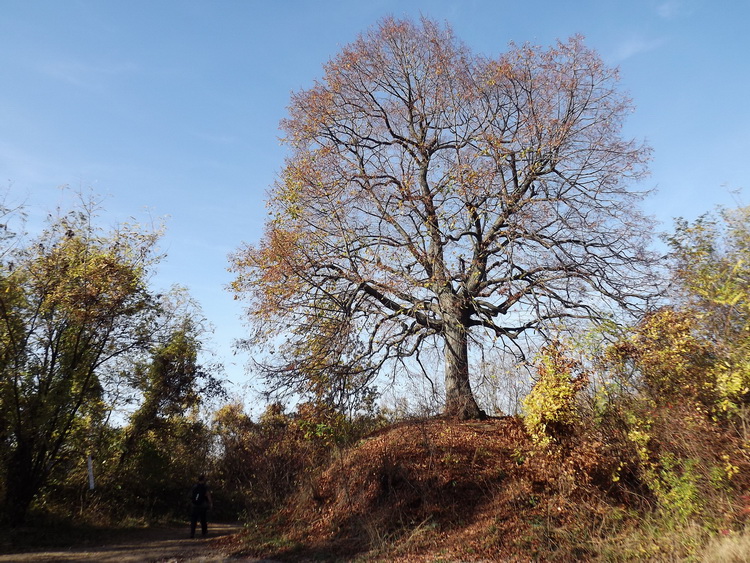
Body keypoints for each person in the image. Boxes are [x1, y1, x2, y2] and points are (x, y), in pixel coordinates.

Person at [189, 474, 213, 538]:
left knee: (194, 520)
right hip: (203, 505)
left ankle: (192, 533)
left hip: (194, 505)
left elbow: (191, 495)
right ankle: (204, 532)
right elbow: (208, 495)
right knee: (203, 519)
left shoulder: (194, 486)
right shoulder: (205, 487)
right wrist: (210, 503)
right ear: (203, 479)